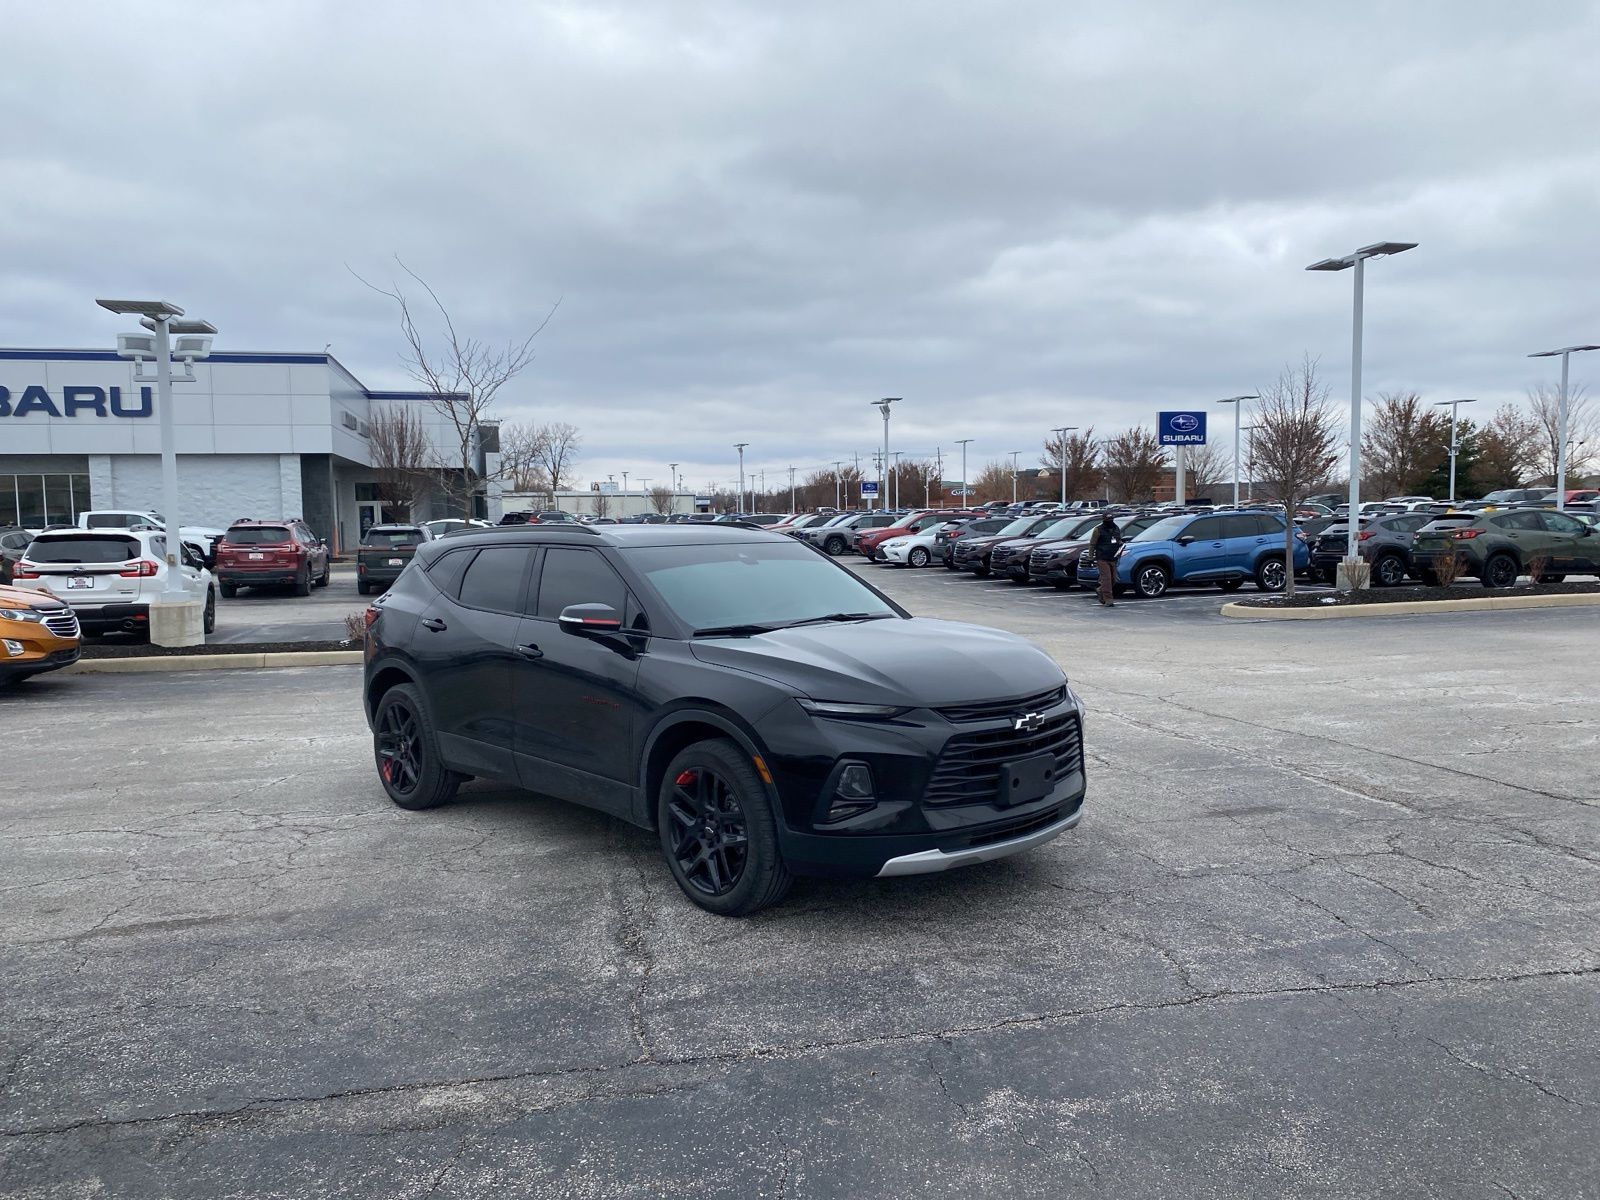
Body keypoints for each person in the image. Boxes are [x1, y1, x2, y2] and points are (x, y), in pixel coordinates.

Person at [1089, 513, 1124, 606]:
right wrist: (1090, 556)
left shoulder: (1116, 528)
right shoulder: (1098, 530)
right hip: (1102, 558)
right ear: (1103, 520)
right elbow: (1092, 544)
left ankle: (1100, 590)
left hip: (1113, 557)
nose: (1110, 522)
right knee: (1106, 579)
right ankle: (1108, 599)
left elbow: (1119, 540)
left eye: (1111, 520)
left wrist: (1120, 545)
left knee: (1114, 580)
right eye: (1108, 520)